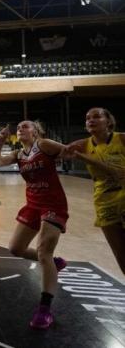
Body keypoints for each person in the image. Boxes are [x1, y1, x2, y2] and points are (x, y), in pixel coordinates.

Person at [0, 121, 69, 329]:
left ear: (35, 131)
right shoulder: (18, 154)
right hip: (33, 205)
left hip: (53, 205)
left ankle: (44, 310)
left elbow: (69, 153)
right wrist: (0, 142)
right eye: (18, 128)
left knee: (44, 252)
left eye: (25, 126)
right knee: (15, 248)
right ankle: (55, 262)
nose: (20, 129)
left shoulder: (44, 145)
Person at [66, 108, 125, 273]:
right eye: (87, 118)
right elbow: (60, 152)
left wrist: (81, 156)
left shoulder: (121, 139)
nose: (91, 120)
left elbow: (116, 172)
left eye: (97, 117)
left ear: (109, 121)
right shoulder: (83, 144)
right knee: (121, 257)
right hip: (104, 200)